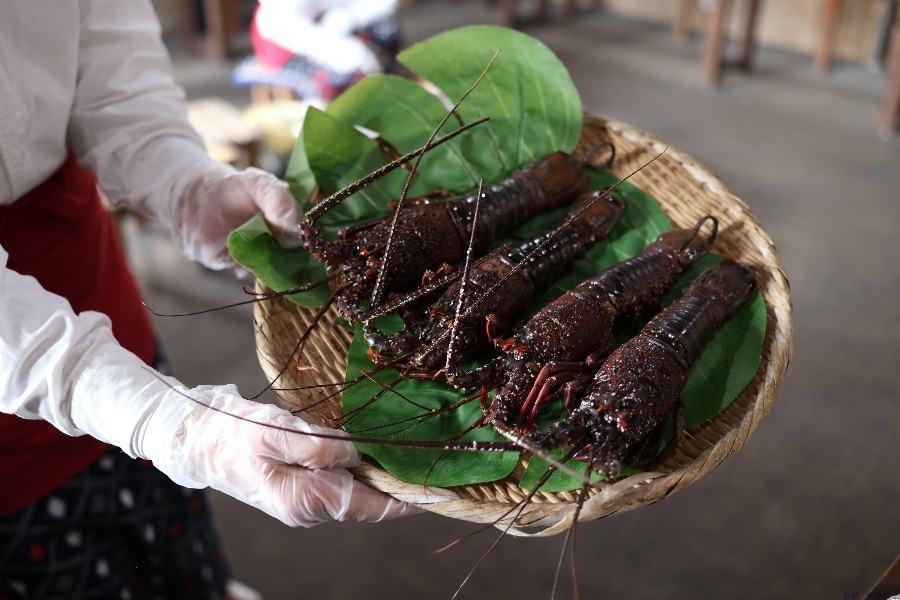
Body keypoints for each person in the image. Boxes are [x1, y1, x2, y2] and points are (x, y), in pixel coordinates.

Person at [0, 3, 416, 599]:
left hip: (91, 280)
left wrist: (183, 180)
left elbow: (111, 66)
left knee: (182, 557)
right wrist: (169, 424)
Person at [231, 0, 401, 104]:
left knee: (386, 34)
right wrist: (346, 51)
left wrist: (349, 17)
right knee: (345, 75)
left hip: (335, 24)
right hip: (289, 44)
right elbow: (280, 24)